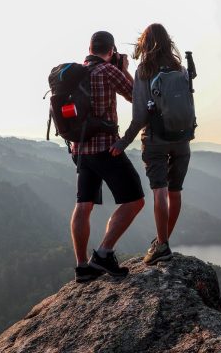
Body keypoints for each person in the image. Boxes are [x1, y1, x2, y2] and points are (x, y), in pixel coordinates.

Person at [110, 23, 193, 265]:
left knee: (160, 191)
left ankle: (162, 245)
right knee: (175, 192)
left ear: (145, 43)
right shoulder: (181, 69)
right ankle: (163, 241)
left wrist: (122, 142)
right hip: (182, 139)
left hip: (156, 140)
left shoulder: (145, 70)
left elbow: (139, 117)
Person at [70, 31, 145, 283]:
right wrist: (123, 69)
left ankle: (82, 267)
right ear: (111, 50)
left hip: (80, 150)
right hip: (106, 148)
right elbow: (137, 97)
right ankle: (103, 253)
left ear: (89, 47)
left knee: (83, 206)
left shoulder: (74, 73)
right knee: (135, 200)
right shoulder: (107, 71)